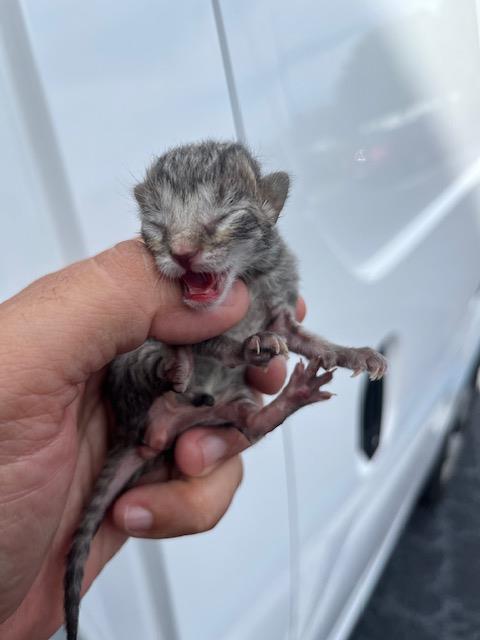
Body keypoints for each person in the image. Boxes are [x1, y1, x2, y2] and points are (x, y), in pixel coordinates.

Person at [0, 239, 305, 639]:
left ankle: (235, 411)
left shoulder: (248, 289)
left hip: (162, 416)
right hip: (151, 406)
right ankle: (229, 410)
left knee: (230, 410)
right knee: (204, 399)